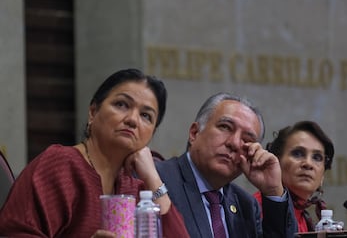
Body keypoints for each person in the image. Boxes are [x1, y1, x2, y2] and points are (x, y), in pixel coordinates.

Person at [0, 68, 189, 238]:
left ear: (152, 133)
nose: (132, 120)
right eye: (122, 104)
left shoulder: (136, 188)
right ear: (93, 112)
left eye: (146, 116)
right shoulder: (60, 166)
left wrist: (153, 178)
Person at [127, 92, 297, 237]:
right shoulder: (153, 179)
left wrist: (273, 191)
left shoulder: (245, 204)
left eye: (247, 139)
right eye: (225, 127)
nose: (235, 143)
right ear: (194, 133)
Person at [254, 120, 334, 232]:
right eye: (297, 153)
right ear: (276, 162)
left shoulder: (304, 218)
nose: (308, 164)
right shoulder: (255, 209)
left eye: (317, 157)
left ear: (322, 177)